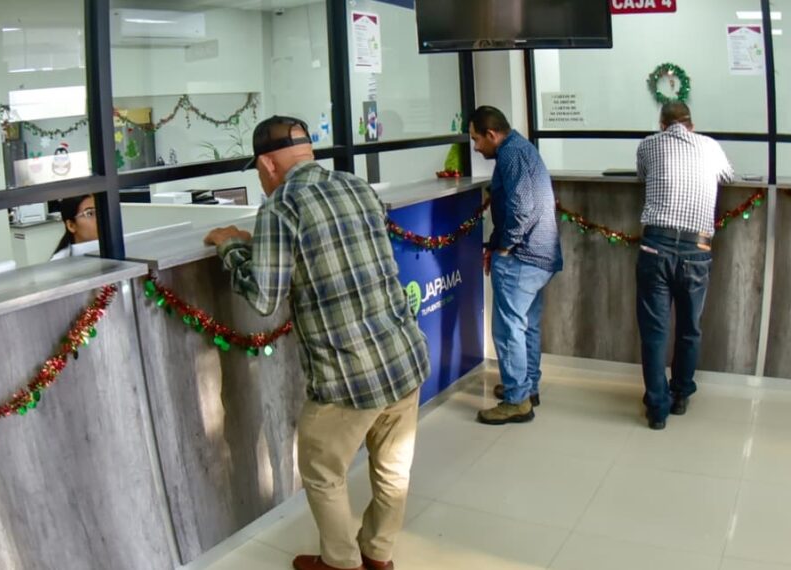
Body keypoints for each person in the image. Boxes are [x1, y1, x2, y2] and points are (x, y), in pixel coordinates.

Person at [203, 116, 430, 570]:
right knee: (392, 470)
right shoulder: (356, 186)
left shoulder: (282, 206)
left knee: (323, 474)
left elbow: (264, 297)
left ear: (267, 163)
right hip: (404, 359)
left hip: (348, 378)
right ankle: (378, 555)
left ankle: (341, 563)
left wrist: (231, 246)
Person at [635, 102, 735, 430]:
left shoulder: (649, 144)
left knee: (655, 332)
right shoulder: (710, 146)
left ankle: (658, 409)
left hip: (656, 247)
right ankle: (681, 395)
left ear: (663, 124)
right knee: (689, 328)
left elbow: (643, 176)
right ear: (691, 124)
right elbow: (728, 177)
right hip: (697, 248)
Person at [468, 106, 562, 426]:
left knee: (508, 330)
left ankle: (516, 400)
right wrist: (496, 244)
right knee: (526, 326)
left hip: (522, 257)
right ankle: (526, 387)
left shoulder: (510, 155)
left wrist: (505, 246)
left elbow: (522, 208)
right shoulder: (521, 148)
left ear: (492, 135)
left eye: (476, 139)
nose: (476, 147)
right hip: (540, 256)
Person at [50, 194, 98, 260]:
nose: (99, 218)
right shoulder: (59, 262)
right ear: (71, 226)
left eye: (99, 211)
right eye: (90, 213)